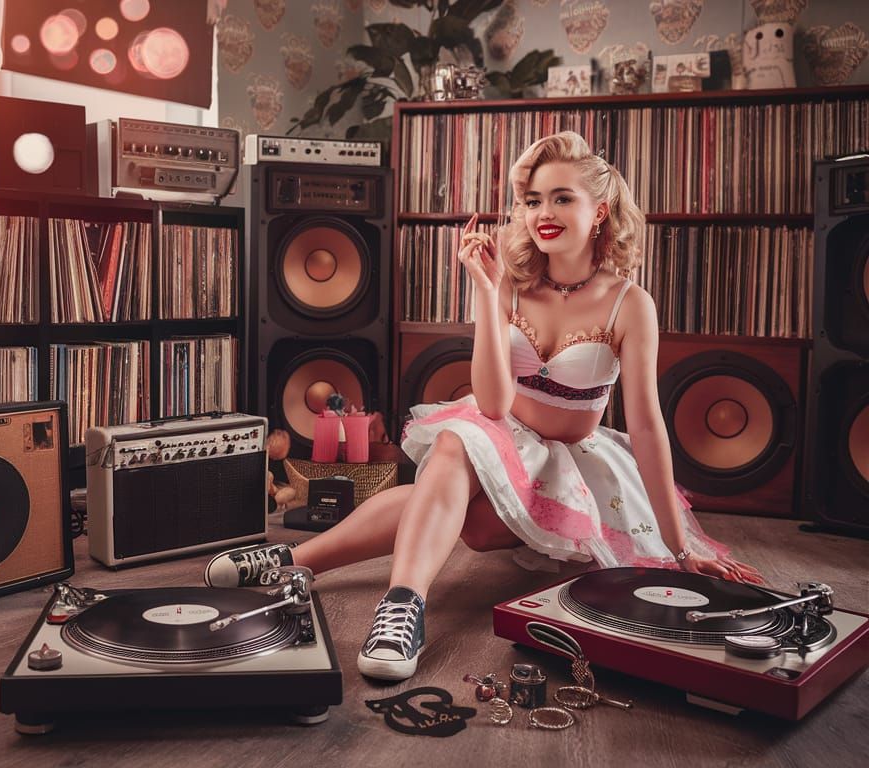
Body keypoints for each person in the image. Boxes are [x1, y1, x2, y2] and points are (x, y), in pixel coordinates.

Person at [204, 131, 763, 682]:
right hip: (497, 431)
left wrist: (678, 542)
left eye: (563, 197)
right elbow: (493, 404)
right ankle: (402, 610)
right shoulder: (510, 284)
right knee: (457, 439)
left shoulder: (629, 303)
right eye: (533, 199)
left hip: (570, 462)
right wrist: (484, 288)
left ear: (601, 209)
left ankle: (292, 560)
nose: (543, 212)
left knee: (466, 521)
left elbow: (645, 425)